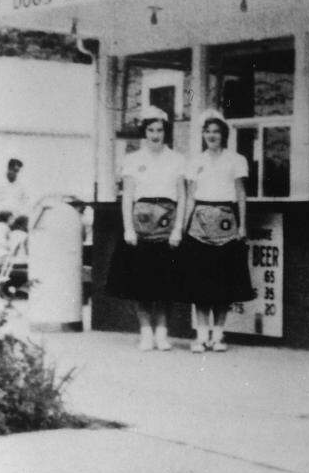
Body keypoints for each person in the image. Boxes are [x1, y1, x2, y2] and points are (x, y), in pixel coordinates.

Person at [105, 107, 185, 352]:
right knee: (140, 284)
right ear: (144, 132)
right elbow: (127, 196)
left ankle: (162, 332)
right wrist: (128, 229)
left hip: (167, 225)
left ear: (165, 132)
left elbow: (182, 196)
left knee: (164, 285)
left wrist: (178, 229)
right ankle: (145, 332)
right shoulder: (133, 160)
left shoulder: (177, 159)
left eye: (159, 130)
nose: (155, 135)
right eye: (150, 130)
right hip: (140, 227)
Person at [180, 110, 254, 353]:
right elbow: (190, 197)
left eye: (216, 131)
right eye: (208, 131)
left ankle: (219, 336)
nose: (212, 136)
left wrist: (242, 225)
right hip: (198, 227)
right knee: (200, 284)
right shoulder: (195, 162)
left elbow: (241, 194)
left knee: (223, 285)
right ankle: (202, 336)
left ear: (224, 134)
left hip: (226, 225)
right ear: (203, 135)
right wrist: (182, 227)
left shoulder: (236, 160)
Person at [0, 157, 32, 231]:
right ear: (9, 168)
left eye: (17, 171)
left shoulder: (21, 187)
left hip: (15, 226)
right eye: (14, 170)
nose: (15, 173)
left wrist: (25, 226)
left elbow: (25, 208)